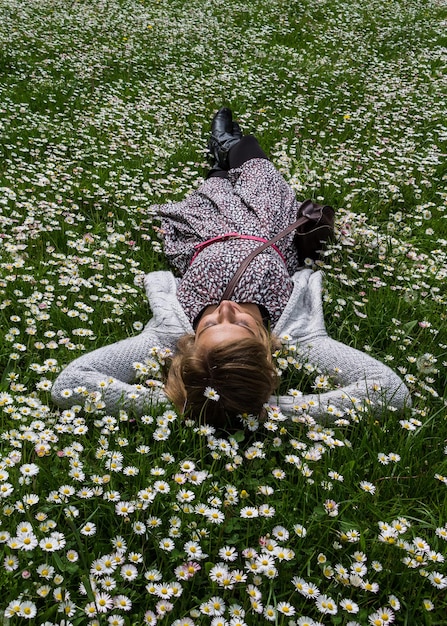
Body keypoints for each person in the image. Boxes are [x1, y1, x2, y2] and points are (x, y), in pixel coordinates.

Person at [51, 108, 411, 427]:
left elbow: (72, 383)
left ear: (190, 344)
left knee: (214, 187)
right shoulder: (296, 337)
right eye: (240, 323)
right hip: (266, 229)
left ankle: (219, 160)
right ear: (267, 350)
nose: (225, 309)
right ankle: (231, 145)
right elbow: (391, 394)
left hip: (203, 233)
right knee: (256, 166)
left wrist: (194, 402)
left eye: (208, 324)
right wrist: (262, 409)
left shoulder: (169, 334)